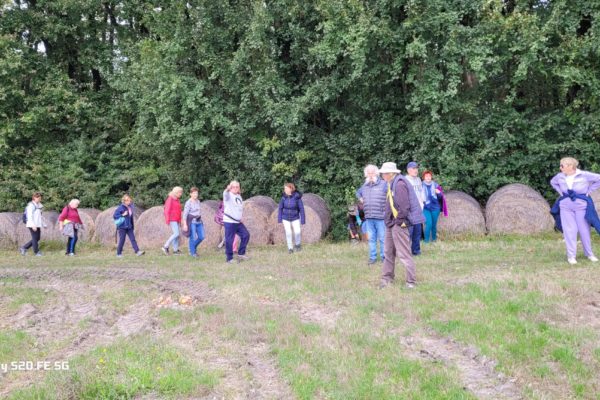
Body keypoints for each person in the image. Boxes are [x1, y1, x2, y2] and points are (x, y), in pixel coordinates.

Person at [550, 157, 600, 265]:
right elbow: (553, 182)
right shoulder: (559, 177)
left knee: (584, 230)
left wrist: (589, 191)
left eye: (562, 166)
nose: (560, 168)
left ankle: (589, 254)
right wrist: (561, 193)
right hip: (565, 207)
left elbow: (599, 179)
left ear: (570, 166)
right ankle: (571, 256)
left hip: (581, 206)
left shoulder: (584, 175)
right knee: (570, 231)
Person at [378, 162, 420, 289]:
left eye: (384, 173)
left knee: (404, 254)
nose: (382, 175)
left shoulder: (400, 184)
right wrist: (388, 221)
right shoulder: (391, 183)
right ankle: (387, 278)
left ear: (391, 173)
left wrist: (397, 222)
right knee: (388, 252)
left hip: (399, 223)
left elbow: (404, 207)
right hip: (392, 223)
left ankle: (411, 282)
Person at [357, 164, 387, 265]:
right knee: (371, 239)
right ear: (366, 174)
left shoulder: (383, 184)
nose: (370, 175)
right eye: (368, 173)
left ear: (376, 173)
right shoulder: (364, 186)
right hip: (369, 217)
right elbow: (358, 193)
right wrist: (360, 198)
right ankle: (372, 257)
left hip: (381, 217)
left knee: (383, 238)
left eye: (372, 172)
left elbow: (391, 195)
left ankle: (384, 257)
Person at [223, 180, 250, 263]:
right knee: (229, 240)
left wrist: (240, 217)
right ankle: (229, 258)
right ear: (230, 187)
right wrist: (227, 189)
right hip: (229, 222)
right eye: (233, 187)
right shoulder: (228, 195)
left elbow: (239, 208)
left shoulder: (238, 196)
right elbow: (225, 194)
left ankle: (241, 254)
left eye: (237, 187)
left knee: (246, 235)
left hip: (238, 222)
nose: (235, 188)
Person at [277, 183, 306, 254]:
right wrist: (279, 219)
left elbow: (301, 209)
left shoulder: (297, 197)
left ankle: (297, 244)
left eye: (286, 188)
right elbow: (280, 208)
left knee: (297, 232)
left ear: (291, 189)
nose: (284, 190)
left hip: (295, 218)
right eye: (284, 188)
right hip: (285, 218)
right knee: (288, 232)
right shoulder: (283, 198)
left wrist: (303, 220)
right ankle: (290, 248)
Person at [421, 170, 448, 243]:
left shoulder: (436, 185)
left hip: (435, 208)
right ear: (423, 177)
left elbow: (441, 198)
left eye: (429, 176)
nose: (428, 177)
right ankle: (426, 241)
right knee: (428, 223)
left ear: (431, 177)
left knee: (434, 225)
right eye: (426, 176)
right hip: (426, 208)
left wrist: (439, 193)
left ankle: (434, 240)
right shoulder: (420, 186)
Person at [405, 161, 425, 255]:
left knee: (417, 231)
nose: (416, 170)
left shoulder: (418, 180)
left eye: (416, 168)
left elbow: (421, 193)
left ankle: (416, 251)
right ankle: (406, 251)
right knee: (410, 232)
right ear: (408, 170)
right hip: (410, 209)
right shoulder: (405, 180)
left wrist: (422, 203)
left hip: (418, 209)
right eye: (413, 168)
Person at [19, 192, 46, 256]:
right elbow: (29, 216)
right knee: (34, 237)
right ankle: (36, 252)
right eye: (37, 197)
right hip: (32, 224)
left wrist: (44, 224)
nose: (39, 198)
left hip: (37, 224)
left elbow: (40, 216)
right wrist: (33, 225)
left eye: (40, 197)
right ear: (34, 198)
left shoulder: (39, 205)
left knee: (37, 238)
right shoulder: (31, 205)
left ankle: (24, 248)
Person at [182, 187, 205, 258]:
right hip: (192, 222)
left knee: (202, 237)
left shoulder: (198, 201)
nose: (195, 195)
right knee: (193, 237)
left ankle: (191, 248)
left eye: (196, 193)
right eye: (194, 193)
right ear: (190, 194)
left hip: (199, 221)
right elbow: (185, 214)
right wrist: (185, 224)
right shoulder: (188, 202)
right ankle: (193, 253)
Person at [162, 186, 183, 255]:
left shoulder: (177, 199)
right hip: (172, 219)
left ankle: (175, 250)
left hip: (176, 219)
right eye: (180, 192)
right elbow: (166, 210)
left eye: (181, 192)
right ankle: (165, 246)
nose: (181, 194)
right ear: (176, 192)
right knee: (176, 233)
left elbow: (179, 210)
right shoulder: (170, 199)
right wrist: (167, 219)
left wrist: (180, 220)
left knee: (176, 235)